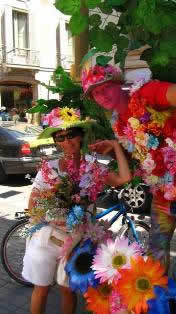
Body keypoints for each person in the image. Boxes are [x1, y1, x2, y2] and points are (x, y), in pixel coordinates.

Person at [81, 29, 176, 273]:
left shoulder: (146, 93)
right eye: (94, 95)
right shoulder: (118, 121)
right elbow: (144, 158)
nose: (100, 97)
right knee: (156, 252)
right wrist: (115, 152)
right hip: (163, 191)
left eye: (103, 88)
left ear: (119, 84)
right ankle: (160, 304)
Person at [22, 107, 132, 314]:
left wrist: (116, 147)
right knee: (41, 290)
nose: (67, 141)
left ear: (80, 136)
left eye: (71, 134)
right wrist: (53, 212)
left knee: (68, 291)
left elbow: (124, 178)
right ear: (56, 141)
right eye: (60, 137)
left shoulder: (93, 167)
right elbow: (33, 206)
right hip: (48, 239)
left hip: (76, 242)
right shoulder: (49, 168)